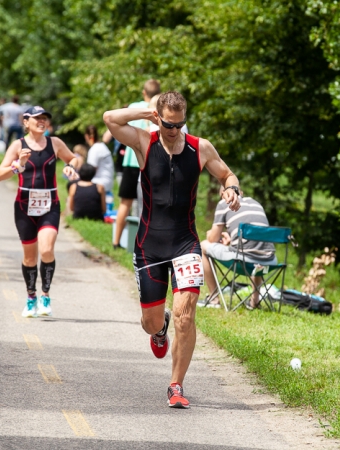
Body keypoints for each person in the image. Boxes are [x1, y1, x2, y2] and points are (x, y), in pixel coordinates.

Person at [103, 90, 241, 409]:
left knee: (186, 315)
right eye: (168, 124)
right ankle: (159, 328)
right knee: (151, 322)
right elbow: (109, 118)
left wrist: (232, 190)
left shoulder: (199, 148)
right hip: (149, 245)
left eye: (180, 125)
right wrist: (143, 115)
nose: (174, 131)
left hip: (185, 243)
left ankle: (176, 385)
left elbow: (226, 173)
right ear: (159, 118)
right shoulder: (143, 142)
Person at [0, 105, 78, 318]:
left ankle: (45, 295)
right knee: (30, 258)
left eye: (44, 118)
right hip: (24, 206)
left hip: (50, 204)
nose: (42, 122)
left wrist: (72, 167)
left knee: (47, 249)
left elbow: (74, 158)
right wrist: (18, 165)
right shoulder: (18, 145)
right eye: (37, 118)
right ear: (26, 122)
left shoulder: (55, 143)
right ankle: (31, 297)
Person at [199, 189, 277, 309]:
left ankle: (214, 299)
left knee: (203, 245)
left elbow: (212, 239)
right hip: (268, 263)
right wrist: (230, 242)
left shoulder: (224, 203)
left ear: (223, 194)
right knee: (256, 253)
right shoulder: (256, 203)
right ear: (241, 192)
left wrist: (213, 234)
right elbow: (253, 242)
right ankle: (254, 302)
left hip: (242, 262)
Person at [112, 80, 161, 249]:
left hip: (132, 161)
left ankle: (116, 241)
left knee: (125, 203)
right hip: (150, 165)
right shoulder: (162, 109)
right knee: (148, 207)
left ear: (143, 92)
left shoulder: (136, 107)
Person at [84, 125, 115, 194]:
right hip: (107, 183)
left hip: (100, 183)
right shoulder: (102, 146)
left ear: (86, 136)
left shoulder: (95, 149)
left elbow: (90, 171)